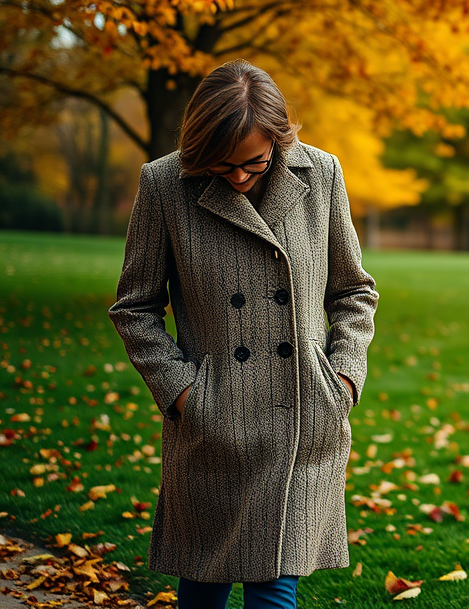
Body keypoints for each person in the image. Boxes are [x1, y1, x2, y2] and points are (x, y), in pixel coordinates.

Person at [108, 59, 379, 609]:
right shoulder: (165, 184)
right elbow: (134, 307)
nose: (237, 177)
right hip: (213, 422)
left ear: (280, 140)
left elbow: (353, 291)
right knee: (204, 584)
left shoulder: (320, 175)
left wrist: (344, 376)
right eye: (221, 165)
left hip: (301, 417)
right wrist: (184, 392)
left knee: (273, 589)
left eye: (253, 162)